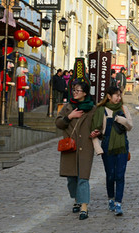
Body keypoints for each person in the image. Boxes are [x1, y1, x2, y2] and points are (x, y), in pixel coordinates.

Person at [55, 81, 96, 220]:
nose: (75, 92)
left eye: (78, 90)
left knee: (83, 178)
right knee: (71, 178)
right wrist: (70, 117)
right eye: (74, 90)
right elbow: (58, 123)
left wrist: (97, 133)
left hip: (86, 147)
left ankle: (84, 207)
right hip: (70, 147)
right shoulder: (67, 107)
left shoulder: (92, 109)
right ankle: (77, 199)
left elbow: (99, 127)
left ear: (85, 93)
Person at [91, 85, 133, 217]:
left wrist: (121, 120)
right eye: (116, 95)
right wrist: (98, 149)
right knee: (111, 175)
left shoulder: (123, 109)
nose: (119, 98)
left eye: (120, 95)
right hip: (107, 148)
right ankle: (111, 199)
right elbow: (94, 133)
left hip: (122, 147)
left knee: (120, 175)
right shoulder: (101, 110)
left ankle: (118, 203)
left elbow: (130, 126)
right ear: (109, 96)